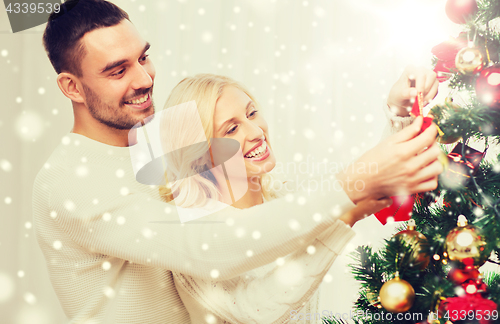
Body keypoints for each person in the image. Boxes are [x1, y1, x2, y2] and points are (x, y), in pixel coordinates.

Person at [32, 0, 442, 323]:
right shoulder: (70, 181)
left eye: (143, 57)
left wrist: (399, 113)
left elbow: (262, 213)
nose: (143, 79)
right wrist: (347, 194)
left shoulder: (159, 139)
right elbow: (208, 250)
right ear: (72, 86)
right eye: (117, 70)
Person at [156, 73, 439, 324]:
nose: (255, 132)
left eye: (251, 113)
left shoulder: (285, 198)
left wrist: (400, 113)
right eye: (231, 130)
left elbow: (367, 178)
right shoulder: (192, 238)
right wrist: (346, 217)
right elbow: (255, 311)